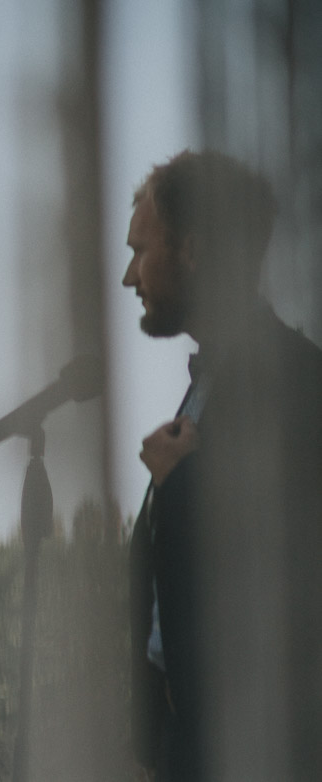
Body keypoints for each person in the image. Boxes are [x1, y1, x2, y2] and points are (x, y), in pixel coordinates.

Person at [123, 150, 322, 780]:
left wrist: (178, 483)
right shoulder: (208, 384)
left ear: (193, 249)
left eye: (140, 250)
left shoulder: (294, 382)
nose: (130, 276)